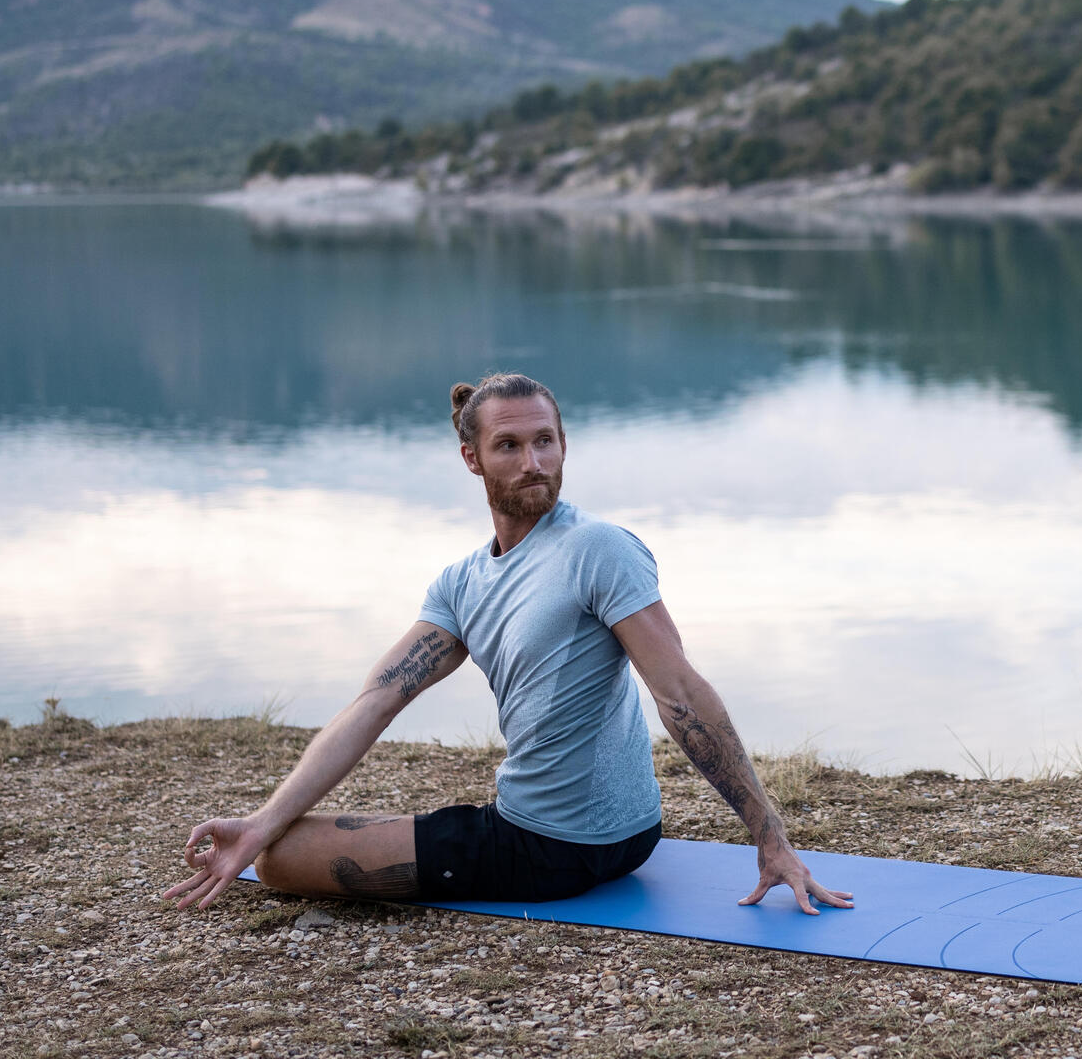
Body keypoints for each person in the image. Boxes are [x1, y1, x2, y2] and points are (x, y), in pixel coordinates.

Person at [162, 372, 852, 915]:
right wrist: (261, 816)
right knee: (278, 834)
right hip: (621, 836)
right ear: (472, 458)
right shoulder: (463, 583)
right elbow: (375, 701)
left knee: (281, 861)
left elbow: (681, 696)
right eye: (510, 446)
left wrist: (770, 838)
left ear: (563, 443)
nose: (534, 462)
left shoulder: (598, 549)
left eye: (546, 441)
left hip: (551, 847)